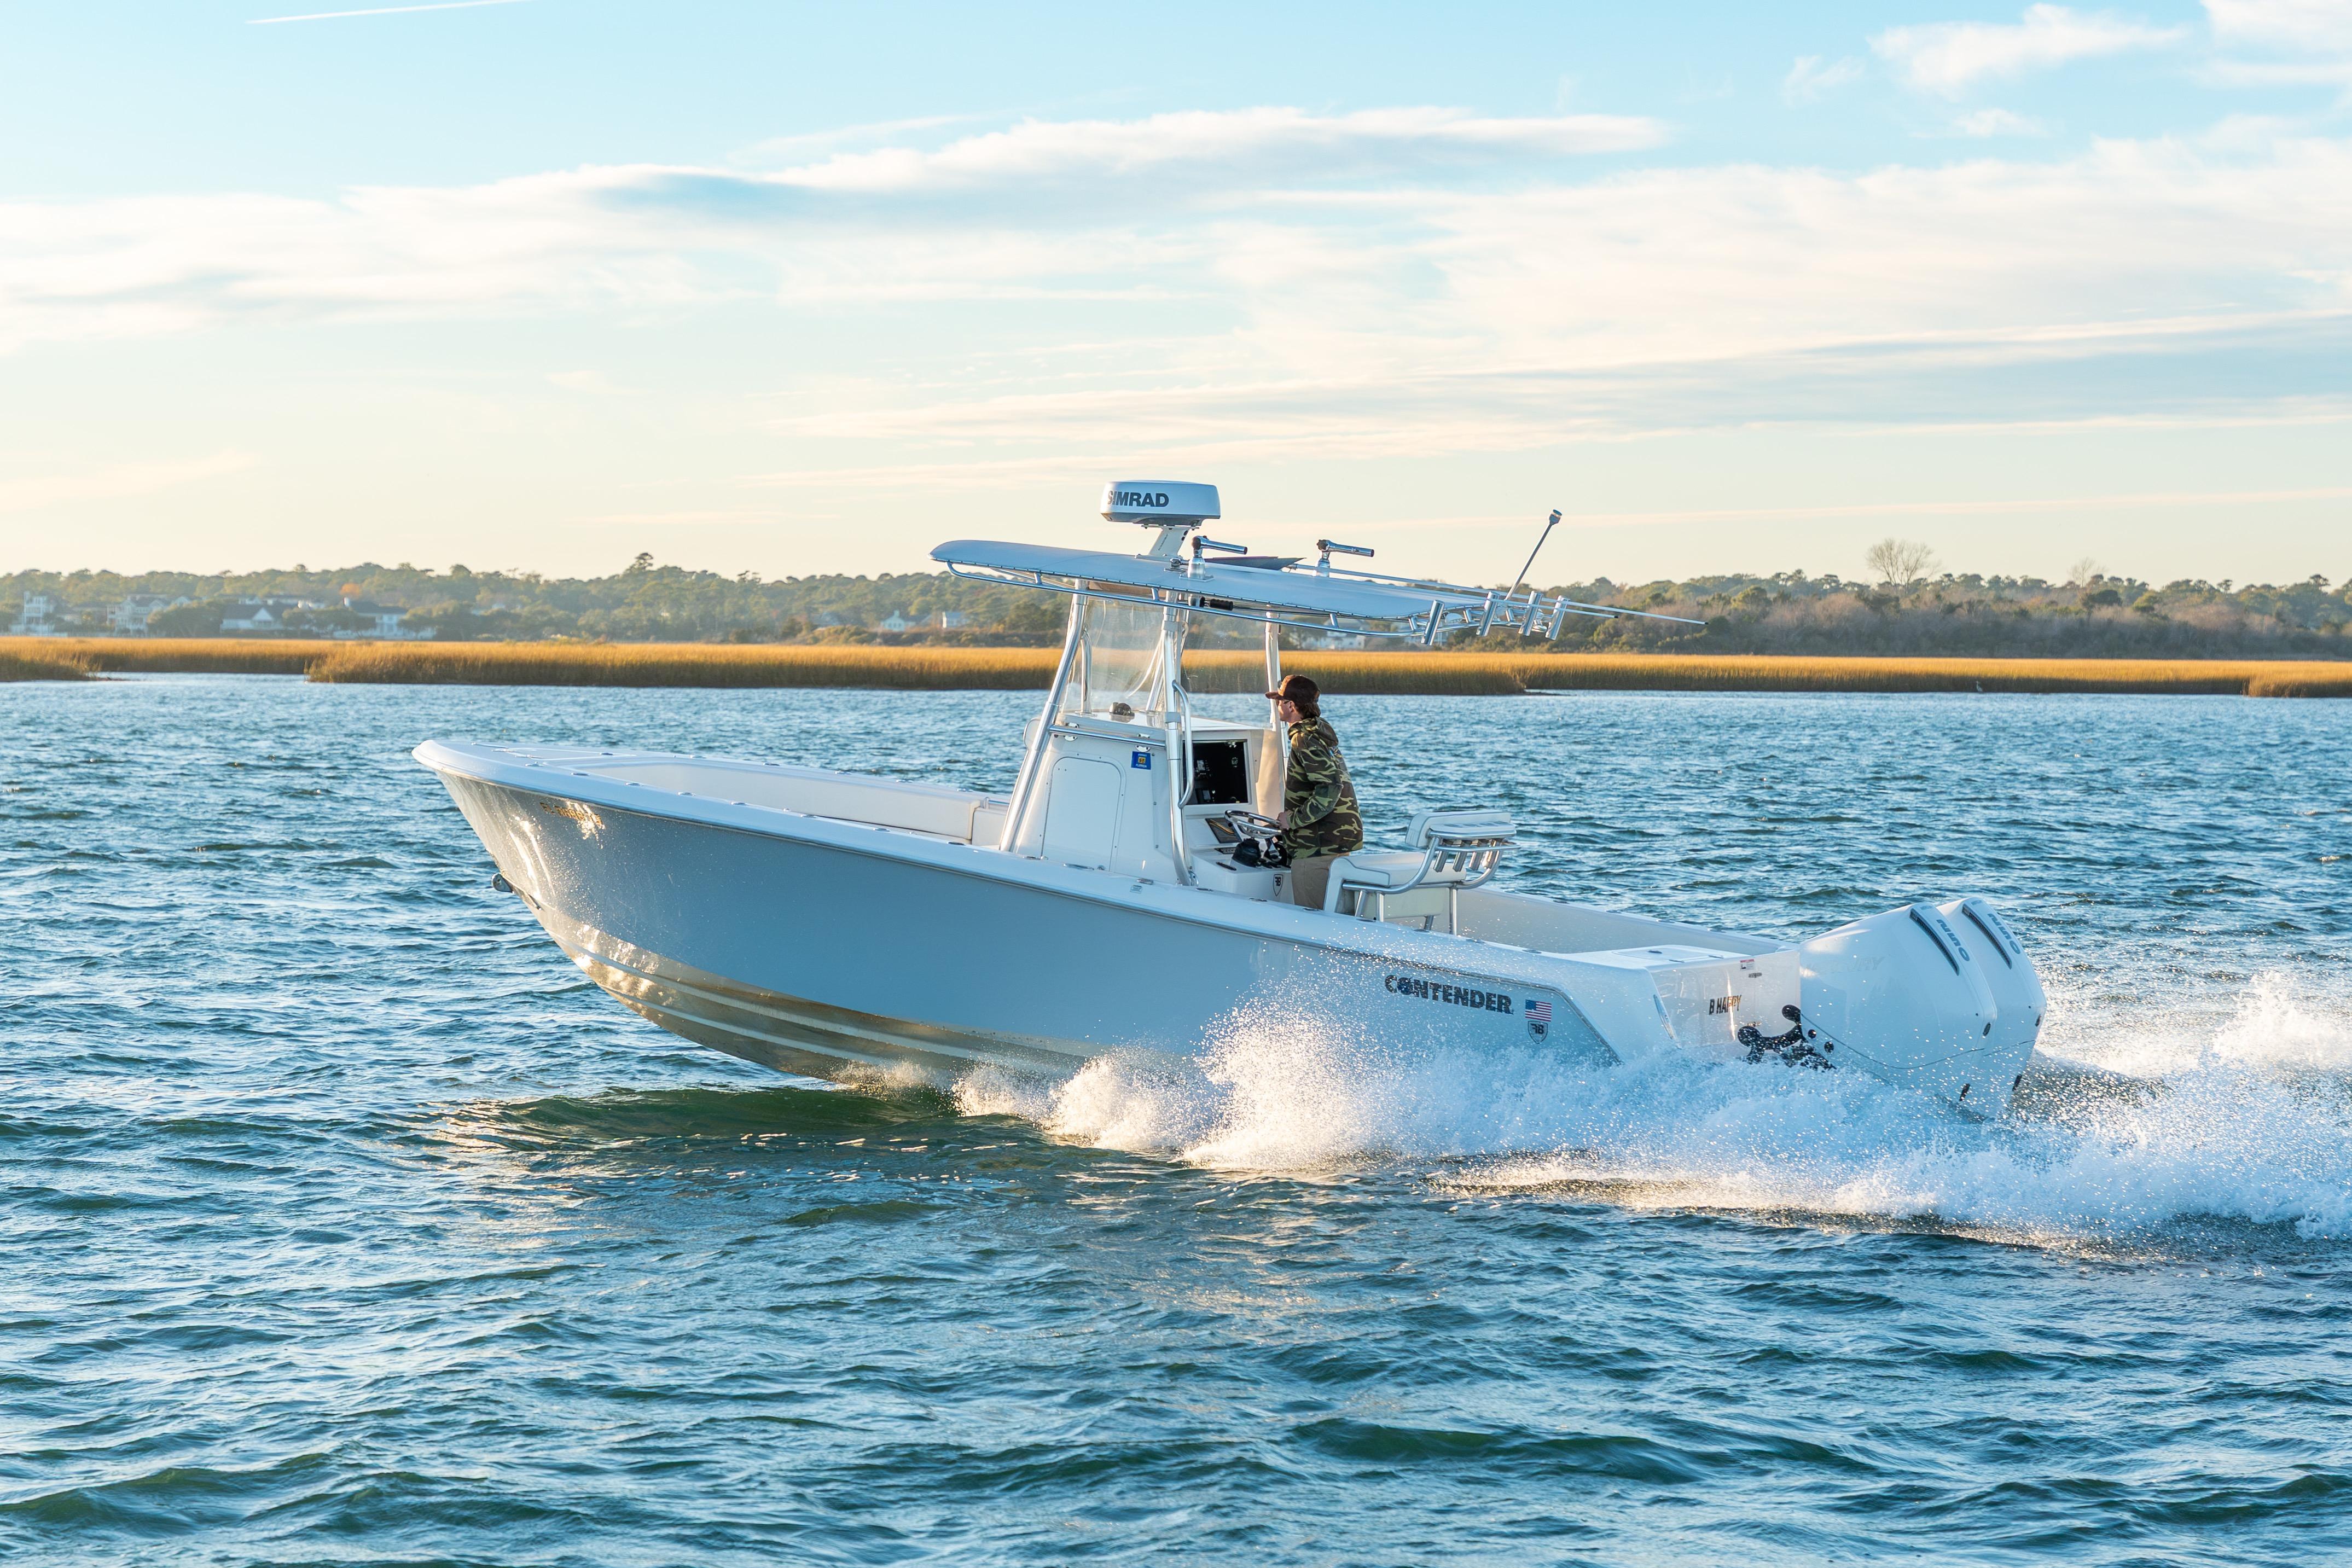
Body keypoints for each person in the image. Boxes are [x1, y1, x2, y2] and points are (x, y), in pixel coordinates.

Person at [1266, 673, 1363, 910]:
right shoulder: (1320, 734)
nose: (1278, 705)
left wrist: (1293, 819)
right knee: (1338, 923)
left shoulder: (1303, 739)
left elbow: (1330, 788)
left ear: (1291, 706)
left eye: (1280, 701)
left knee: (1314, 926)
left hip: (1315, 851)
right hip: (1336, 845)